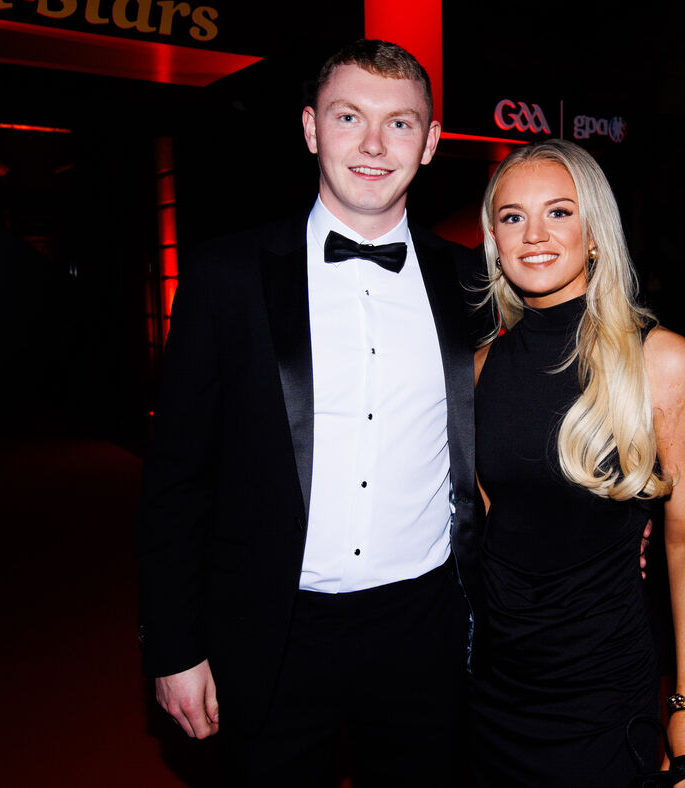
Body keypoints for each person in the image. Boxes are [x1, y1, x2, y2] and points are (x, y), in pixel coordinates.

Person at [136, 40, 486, 787]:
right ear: (309, 128)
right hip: (271, 626)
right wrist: (173, 645)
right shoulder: (225, 276)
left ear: (429, 142)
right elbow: (175, 479)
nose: (373, 144)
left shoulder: (475, 284)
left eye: (399, 123)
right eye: (349, 116)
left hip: (424, 627)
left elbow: (532, 420)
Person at [470, 139, 685, 788]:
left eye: (559, 212)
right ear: (494, 239)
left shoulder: (661, 363)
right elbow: (493, 527)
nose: (534, 234)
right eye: (512, 216)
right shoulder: (476, 370)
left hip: (602, 688)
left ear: (594, 235)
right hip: (493, 689)